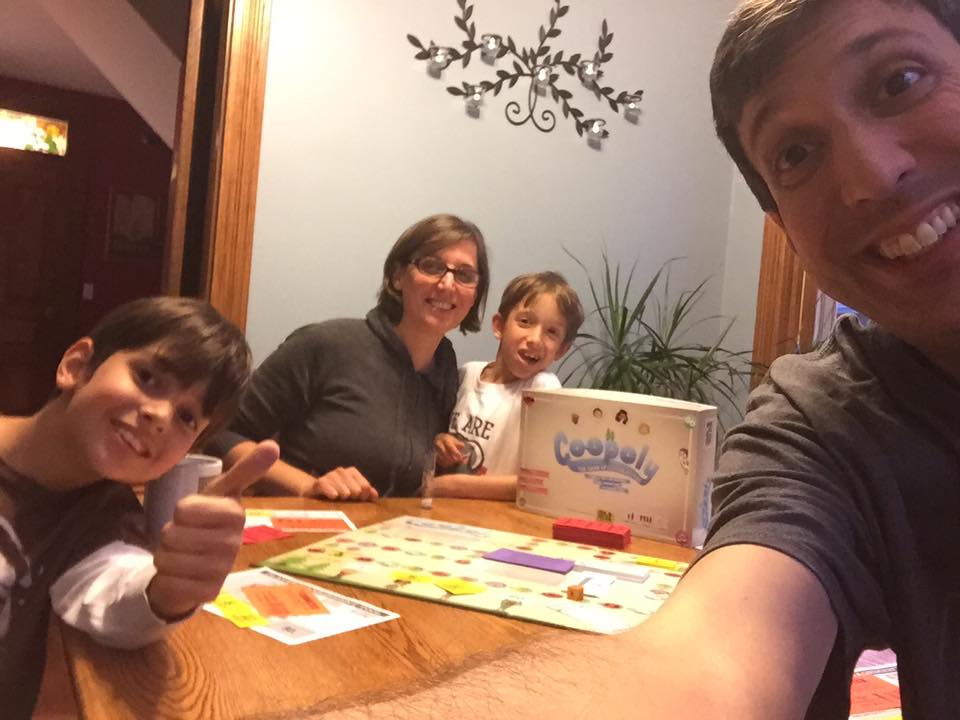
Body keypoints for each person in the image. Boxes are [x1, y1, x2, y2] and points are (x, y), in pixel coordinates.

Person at [318, 1, 960, 718]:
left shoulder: (539, 394)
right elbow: (709, 662)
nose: (871, 175)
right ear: (782, 226)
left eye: (900, 81)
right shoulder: (826, 427)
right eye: (797, 153)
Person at [0, 297, 279, 719]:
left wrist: (169, 589)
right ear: (76, 365)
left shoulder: (105, 519)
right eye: (147, 377)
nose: (160, 415)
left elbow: (115, 592)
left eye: (187, 417)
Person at [209, 214, 490, 500]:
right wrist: (306, 485)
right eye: (431, 266)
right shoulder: (326, 344)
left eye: (465, 275)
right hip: (304, 531)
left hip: (391, 539)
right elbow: (220, 432)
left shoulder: (447, 371)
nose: (447, 284)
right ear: (397, 276)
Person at [432, 271, 583, 500]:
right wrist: (440, 443)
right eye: (525, 322)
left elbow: (544, 481)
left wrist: (457, 487)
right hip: (448, 517)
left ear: (561, 349)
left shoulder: (542, 389)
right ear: (499, 326)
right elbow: (441, 434)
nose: (535, 338)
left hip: (498, 522)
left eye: (552, 332)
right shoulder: (466, 374)